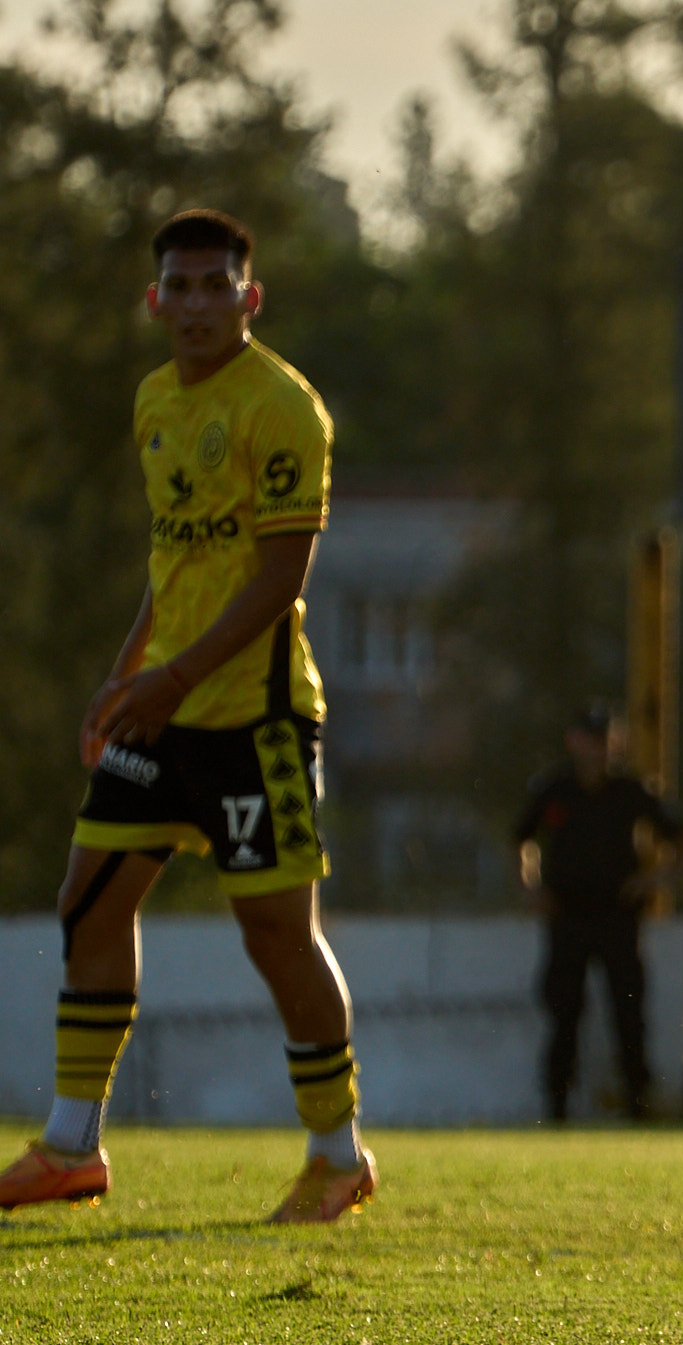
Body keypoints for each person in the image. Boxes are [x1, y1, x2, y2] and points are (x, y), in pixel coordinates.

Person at [0, 210, 372, 1223]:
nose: (198, 303)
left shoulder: (284, 407)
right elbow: (178, 561)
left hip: (256, 719)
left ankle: (337, 1154)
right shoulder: (155, 400)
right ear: (156, 300)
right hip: (161, 710)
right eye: (181, 285)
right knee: (89, 899)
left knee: (275, 934)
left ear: (251, 298)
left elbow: (278, 574)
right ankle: (73, 1143)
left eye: (217, 285)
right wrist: (127, 675)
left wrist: (171, 681)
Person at [515, 704, 683, 1121]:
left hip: (619, 914)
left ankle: (638, 1104)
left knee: (628, 1011)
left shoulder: (632, 790)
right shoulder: (555, 789)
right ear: (574, 741)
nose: (599, 748)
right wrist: (530, 887)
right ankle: (555, 1107)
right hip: (567, 913)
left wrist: (651, 881)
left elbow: (679, 837)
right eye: (591, 739)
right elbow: (520, 839)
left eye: (606, 739)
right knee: (564, 1011)